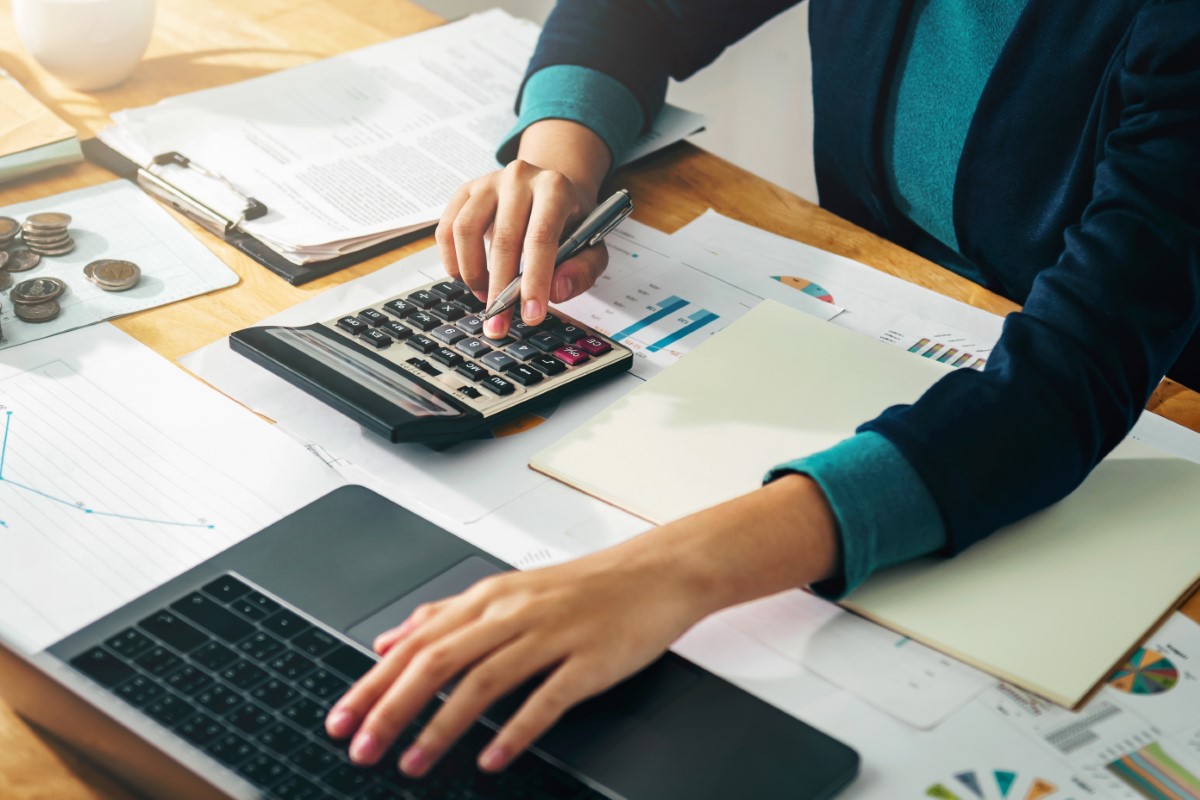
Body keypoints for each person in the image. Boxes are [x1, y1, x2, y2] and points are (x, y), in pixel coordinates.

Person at [324, 0, 1200, 779]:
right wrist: (559, 164)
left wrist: (664, 575)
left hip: (1145, 402)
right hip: (871, 319)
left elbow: (1064, 386)